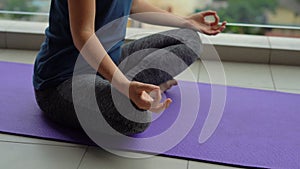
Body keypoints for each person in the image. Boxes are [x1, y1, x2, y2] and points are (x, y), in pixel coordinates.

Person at [33, 0, 226, 135]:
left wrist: (187, 21)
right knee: (136, 119)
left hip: (111, 61)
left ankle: (131, 90)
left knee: (189, 38)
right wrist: (123, 85)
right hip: (64, 81)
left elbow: (133, 4)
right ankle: (130, 91)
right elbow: (83, 34)